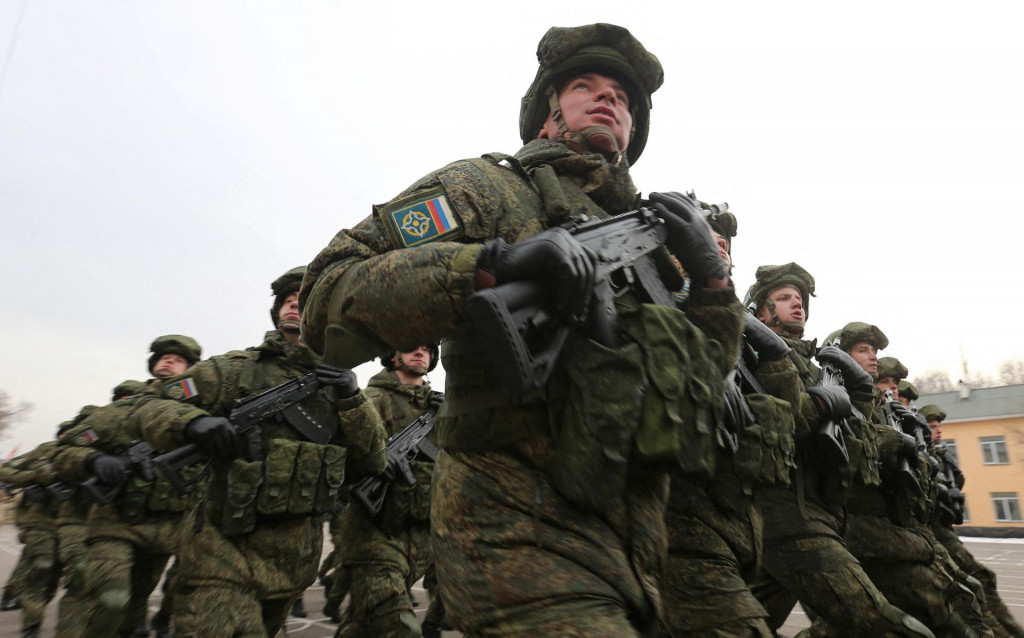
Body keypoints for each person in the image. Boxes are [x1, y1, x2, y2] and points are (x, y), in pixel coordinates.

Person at [300, 23, 744, 637]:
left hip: (639, 547)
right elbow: (327, 295)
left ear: (634, 128)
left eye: (622, 96)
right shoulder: (486, 188)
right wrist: (485, 266)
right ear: (545, 114)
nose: (607, 99)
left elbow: (700, 382)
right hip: (512, 532)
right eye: (583, 85)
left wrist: (713, 283)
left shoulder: (652, 245)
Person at [143, 267, 387, 638]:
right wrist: (191, 423)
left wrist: (352, 396)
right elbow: (155, 405)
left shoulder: (341, 387)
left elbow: (372, 460)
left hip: (293, 562)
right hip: (223, 550)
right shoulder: (233, 370)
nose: (294, 304)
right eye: (289, 300)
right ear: (277, 312)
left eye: (305, 300)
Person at [741, 268, 933, 638]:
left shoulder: (815, 370)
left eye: (799, 298)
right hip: (788, 519)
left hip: (813, 514)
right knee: (891, 627)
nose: (796, 302)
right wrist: (822, 405)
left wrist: (859, 395)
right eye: (783, 297)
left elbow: (853, 445)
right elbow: (784, 421)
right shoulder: (751, 353)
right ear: (760, 312)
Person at [808, 324, 991, 638]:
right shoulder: (832, 398)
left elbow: (912, 487)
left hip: (890, 530)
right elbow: (845, 464)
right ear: (842, 357)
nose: (873, 358)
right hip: (852, 529)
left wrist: (912, 444)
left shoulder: (881, 410)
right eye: (864, 351)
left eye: (875, 352)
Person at [52, 335, 204, 638]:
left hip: (168, 530)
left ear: (191, 370)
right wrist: (93, 460)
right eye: (163, 356)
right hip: (115, 525)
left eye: (179, 358)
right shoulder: (119, 413)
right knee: (111, 599)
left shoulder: (202, 417)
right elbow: (62, 452)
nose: (169, 360)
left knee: (135, 607)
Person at [336, 345, 443, 638]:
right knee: (400, 627)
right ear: (393, 354)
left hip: (421, 541)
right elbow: (339, 460)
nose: (420, 353)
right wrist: (375, 458)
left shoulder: (440, 408)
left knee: (361, 626)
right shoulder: (370, 400)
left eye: (427, 349)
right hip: (374, 537)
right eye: (411, 347)